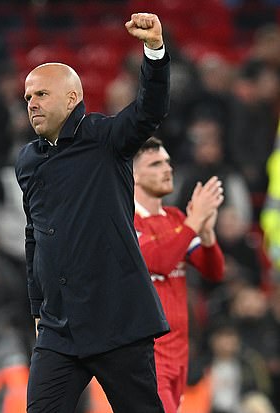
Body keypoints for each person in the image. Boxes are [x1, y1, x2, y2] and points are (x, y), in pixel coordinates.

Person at [15, 13, 171, 413]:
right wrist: (37, 308)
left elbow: (147, 111)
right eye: (28, 97)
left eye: (42, 95)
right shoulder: (27, 161)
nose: (31, 103)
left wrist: (153, 51)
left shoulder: (105, 139)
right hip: (59, 327)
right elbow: (34, 235)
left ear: (72, 99)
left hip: (116, 317)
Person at [132, 137, 225, 413]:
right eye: (156, 163)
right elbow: (158, 261)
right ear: (133, 174)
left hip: (179, 353)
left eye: (168, 162)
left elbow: (214, 271)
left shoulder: (174, 219)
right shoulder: (126, 220)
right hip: (147, 353)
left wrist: (206, 234)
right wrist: (194, 222)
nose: (167, 169)